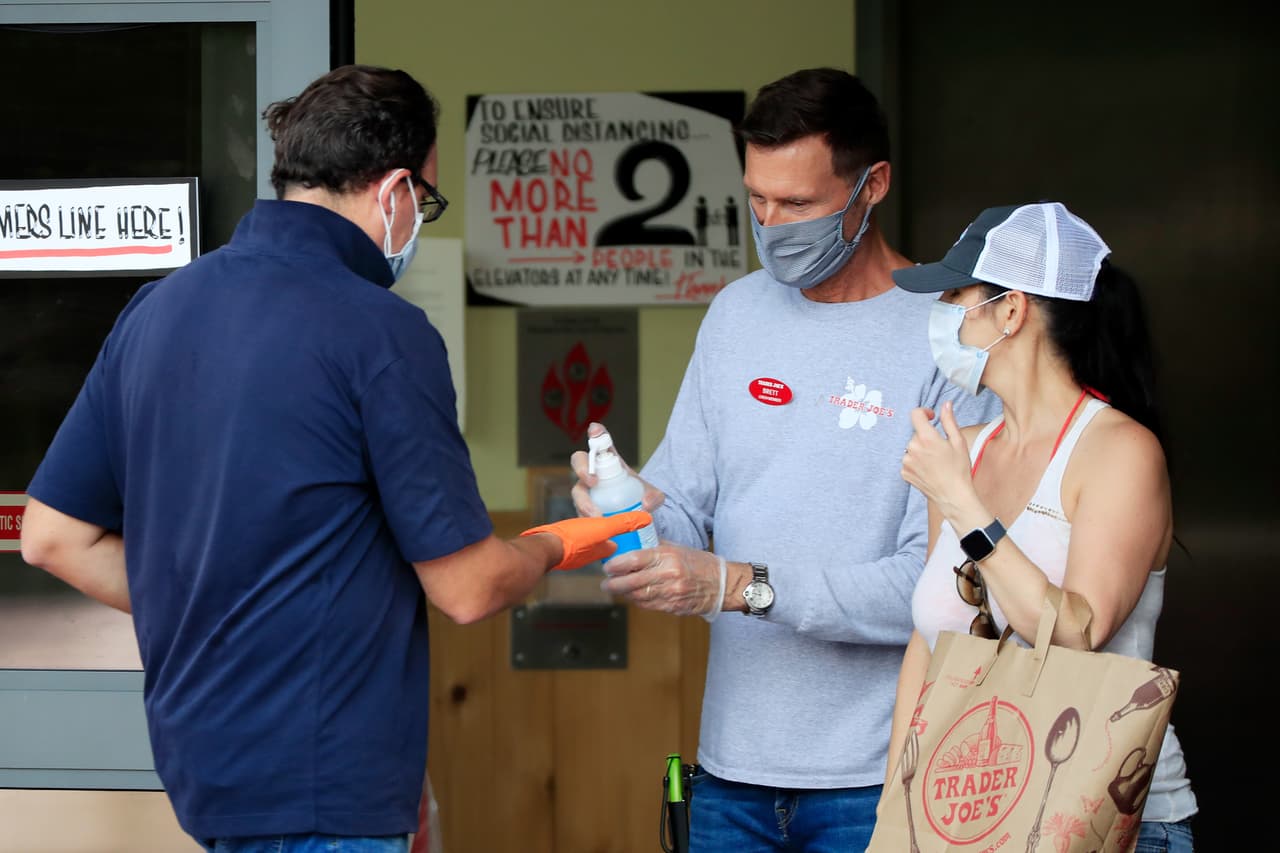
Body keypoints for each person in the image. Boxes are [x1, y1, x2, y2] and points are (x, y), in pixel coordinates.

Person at [18, 64, 649, 853]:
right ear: (392, 193)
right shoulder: (379, 331)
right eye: (424, 199)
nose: (419, 218)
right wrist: (574, 537)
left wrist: (218, 615)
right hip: (327, 780)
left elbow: (51, 536)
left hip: (204, 769)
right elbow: (466, 585)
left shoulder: (158, 308)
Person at [569, 68, 1000, 851]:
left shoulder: (948, 335)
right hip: (730, 771)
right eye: (757, 198)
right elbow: (687, 506)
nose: (771, 224)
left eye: (797, 203)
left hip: (881, 771)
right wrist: (625, 506)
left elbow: (939, 580)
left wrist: (741, 586)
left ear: (872, 185)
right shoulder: (737, 312)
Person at [886, 201, 1197, 851]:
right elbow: (928, 646)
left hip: (1108, 815)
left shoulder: (1120, 451)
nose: (939, 314)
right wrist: (895, 816)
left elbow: (1077, 634)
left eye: (954, 295)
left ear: (1011, 309)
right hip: (975, 811)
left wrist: (966, 505)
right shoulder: (962, 449)